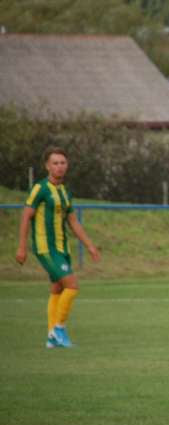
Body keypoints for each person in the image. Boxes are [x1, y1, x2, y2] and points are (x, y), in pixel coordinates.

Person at [15, 147, 100, 348]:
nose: (59, 166)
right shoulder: (40, 188)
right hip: (46, 248)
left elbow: (73, 222)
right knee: (72, 286)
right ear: (47, 166)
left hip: (62, 249)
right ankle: (58, 329)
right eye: (55, 163)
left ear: (67, 165)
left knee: (57, 289)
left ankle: (51, 337)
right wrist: (22, 247)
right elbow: (26, 216)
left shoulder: (64, 192)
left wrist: (90, 246)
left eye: (62, 163)